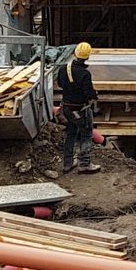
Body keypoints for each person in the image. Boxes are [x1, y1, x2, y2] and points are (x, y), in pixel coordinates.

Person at [58, 40, 100, 173]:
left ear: (75, 53)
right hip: (80, 110)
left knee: (70, 134)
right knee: (86, 134)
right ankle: (85, 163)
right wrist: (95, 94)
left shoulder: (64, 68)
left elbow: (60, 84)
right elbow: (88, 93)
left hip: (67, 108)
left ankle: (68, 163)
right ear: (87, 56)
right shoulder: (85, 74)